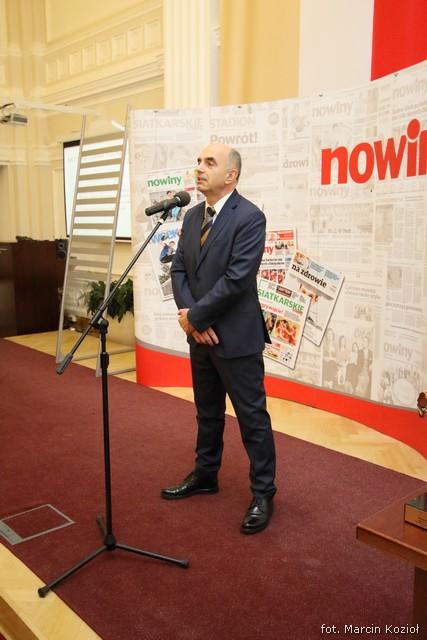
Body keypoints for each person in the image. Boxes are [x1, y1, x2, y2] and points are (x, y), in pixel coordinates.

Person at [161, 142, 276, 535]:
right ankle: (206, 474)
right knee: (207, 413)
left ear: (231, 175)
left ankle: (264, 493)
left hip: (236, 338)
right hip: (200, 336)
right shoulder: (193, 215)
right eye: (198, 161)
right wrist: (193, 322)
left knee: (252, 419)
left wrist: (195, 316)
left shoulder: (250, 217)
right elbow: (178, 269)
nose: (199, 168)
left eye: (209, 162)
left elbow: (237, 279)